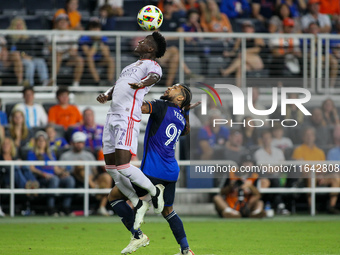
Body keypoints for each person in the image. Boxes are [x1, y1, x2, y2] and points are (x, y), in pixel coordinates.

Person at [105, 84, 195, 255]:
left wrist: (125, 93)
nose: (169, 87)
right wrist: (187, 111)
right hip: (170, 171)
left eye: (175, 88)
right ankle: (186, 250)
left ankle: (137, 234)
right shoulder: (182, 118)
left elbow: (140, 108)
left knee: (114, 196)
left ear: (180, 98)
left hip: (153, 170)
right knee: (169, 212)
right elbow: (185, 131)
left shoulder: (161, 106)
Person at [96, 32, 167, 228]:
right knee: (111, 169)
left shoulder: (152, 65)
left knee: (123, 166)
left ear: (151, 49)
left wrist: (142, 84)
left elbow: (154, 77)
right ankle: (138, 203)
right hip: (112, 116)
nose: (140, 42)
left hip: (127, 116)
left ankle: (154, 192)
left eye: (145, 41)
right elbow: (117, 86)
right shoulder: (129, 67)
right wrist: (106, 95)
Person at [59, 131, 112, 216]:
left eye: (81, 142)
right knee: (80, 165)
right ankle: (95, 189)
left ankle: (101, 207)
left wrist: (92, 176)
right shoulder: (65, 155)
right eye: (77, 142)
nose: (79, 144)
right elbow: (60, 170)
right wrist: (64, 173)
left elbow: (95, 171)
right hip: (76, 178)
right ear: (73, 143)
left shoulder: (89, 155)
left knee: (107, 177)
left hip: (91, 178)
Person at [292, 127, 340, 214]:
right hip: (306, 177)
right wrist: (314, 172)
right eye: (307, 135)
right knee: (311, 176)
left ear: (314, 137)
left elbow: (324, 168)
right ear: (303, 137)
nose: (309, 137)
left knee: (336, 177)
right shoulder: (298, 150)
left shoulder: (320, 152)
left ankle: (332, 206)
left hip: (319, 176)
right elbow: (302, 169)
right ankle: (312, 207)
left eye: (311, 135)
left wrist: (321, 175)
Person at [28, 131, 75, 216]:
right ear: (36, 142)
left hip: (53, 176)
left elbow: (55, 168)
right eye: (39, 140)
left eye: (43, 140)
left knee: (69, 180)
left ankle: (66, 207)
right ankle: (50, 208)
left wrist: (63, 173)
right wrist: (44, 174)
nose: (41, 142)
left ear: (46, 142)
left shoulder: (50, 154)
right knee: (54, 179)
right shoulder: (32, 153)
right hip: (41, 178)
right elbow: (32, 168)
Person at [213, 153, 264, 218]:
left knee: (260, 202)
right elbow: (222, 192)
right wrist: (231, 186)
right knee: (217, 198)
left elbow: (258, 194)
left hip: (247, 204)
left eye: (250, 163)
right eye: (245, 163)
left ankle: (256, 213)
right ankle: (230, 212)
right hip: (231, 202)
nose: (247, 165)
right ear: (241, 164)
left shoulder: (255, 176)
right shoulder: (231, 174)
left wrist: (250, 186)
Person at [254, 130, 290, 215]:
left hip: (279, 176)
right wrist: (274, 169)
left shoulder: (278, 152)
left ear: (271, 139)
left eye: (268, 138)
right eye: (265, 138)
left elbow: (282, 166)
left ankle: (277, 205)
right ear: (261, 140)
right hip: (265, 177)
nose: (266, 140)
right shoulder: (258, 153)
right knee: (273, 181)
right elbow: (262, 167)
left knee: (277, 180)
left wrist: (272, 169)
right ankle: (280, 205)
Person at [7, 17, 50, 86]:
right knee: (30, 64)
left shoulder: (27, 37)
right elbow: (12, 50)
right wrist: (23, 55)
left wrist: (30, 57)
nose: (19, 27)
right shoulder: (10, 38)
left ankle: (45, 81)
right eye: (17, 25)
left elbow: (31, 50)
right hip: (19, 59)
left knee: (40, 61)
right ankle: (29, 84)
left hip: (29, 57)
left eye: (20, 25)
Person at [220, 21, 264, 87]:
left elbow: (258, 49)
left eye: (248, 27)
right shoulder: (240, 38)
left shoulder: (257, 37)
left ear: (252, 29)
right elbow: (235, 51)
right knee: (240, 68)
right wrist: (228, 54)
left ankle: (226, 72)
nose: (246, 29)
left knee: (242, 55)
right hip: (244, 62)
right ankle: (238, 89)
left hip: (257, 62)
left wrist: (245, 51)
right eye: (244, 28)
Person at [50, 14, 84, 87]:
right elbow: (50, 49)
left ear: (68, 23)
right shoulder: (51, 33)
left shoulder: (72, 34)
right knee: (58, 57)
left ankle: (76, 84)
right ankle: (52, 82)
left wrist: (67, 52)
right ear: (56, 23)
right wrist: (65, 51)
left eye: (65, 21)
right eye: (60, 21)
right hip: (54, 58)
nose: (63, 23)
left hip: (68, 58)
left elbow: (74, 50)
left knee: (79, 60)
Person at [79, 18, 115, 85]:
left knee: (110, 59)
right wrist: (96, 43)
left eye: (97, 28)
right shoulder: (84, 38)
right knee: (89, 59)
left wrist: (100, 43)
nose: (95, 31)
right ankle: (98, 82)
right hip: (88, 61)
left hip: (99, 60)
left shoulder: (103, 38)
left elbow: (106, 54)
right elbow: (89, 54)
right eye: (93, 28)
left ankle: (109, 82)